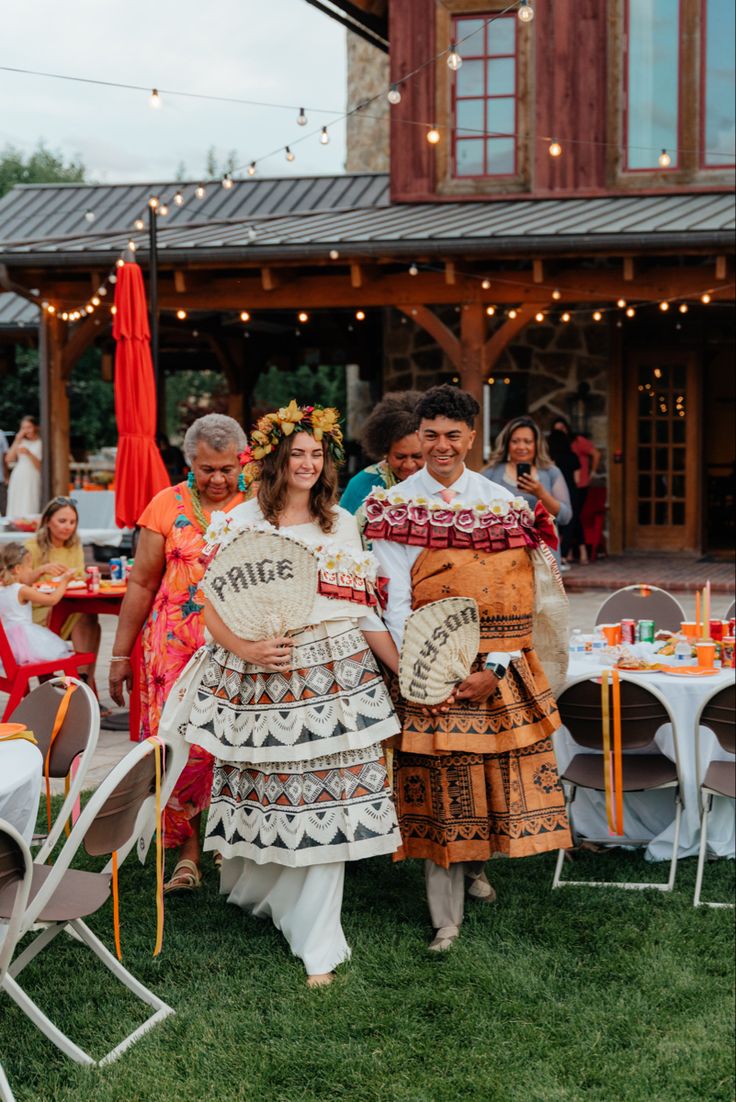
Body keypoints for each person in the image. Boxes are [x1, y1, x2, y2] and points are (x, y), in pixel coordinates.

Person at [169, 401, 401, 986]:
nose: (306, 462)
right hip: (262, 672)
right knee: (273, 794)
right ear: (274, 459)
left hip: (334, 675)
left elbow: (362, 609)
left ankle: (319, 938)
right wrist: (245, 650)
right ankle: (262, 890)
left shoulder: (339, 524)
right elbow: (209, 608)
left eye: (316, 454)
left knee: (327, 799)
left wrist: (405, 670)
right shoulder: (241, 521)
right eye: (296, 453)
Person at [369, 384, 571, 953]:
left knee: (490, 780)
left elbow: (517, 595)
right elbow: (396, 599)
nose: (440, 447)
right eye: (430, 435)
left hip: (496, 664)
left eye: (451, 437)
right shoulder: (395, 505)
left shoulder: (501, 503)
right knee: (439, 787)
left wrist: (498, 668)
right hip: (426, 668)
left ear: (472, 438)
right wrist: (425, 671)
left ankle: (477, 866)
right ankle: (445, 919)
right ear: (418, 434)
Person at [108, 413, 249, 891]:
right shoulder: (165, 505)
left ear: (241, 461)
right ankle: (186, 853)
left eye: (226, 468)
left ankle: (237, 847)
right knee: (179, 749)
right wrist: (119, 654)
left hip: (238, 646)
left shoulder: (258, 506)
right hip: (171, 649)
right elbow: (143, 583)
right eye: (207, 468)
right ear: (191, 461)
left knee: (231, 748)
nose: (217, 479)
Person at [25, 497, 101, 682]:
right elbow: (22, 581)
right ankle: (81, 681)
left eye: (72, 522)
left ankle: (81, 678)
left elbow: (80, 575)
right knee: (84, 617)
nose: (68, 527)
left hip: (67, 605)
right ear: (48, 521)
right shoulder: (32, 546)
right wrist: (42, 569)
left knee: (89, 616)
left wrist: (72, 577)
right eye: (62, 521)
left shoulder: (74, 545)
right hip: (40, 610)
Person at [483, 416, 572, 568]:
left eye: (527, 441)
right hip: (501, 554)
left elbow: (565, 516)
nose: (521, 447)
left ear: (536, 445)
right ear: (507, 444)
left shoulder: (550, 472)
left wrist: (540, 493)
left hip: (543, 554)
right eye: (515, 441)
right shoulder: (491, 473)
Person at [339, 391, 423, 515]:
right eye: (400, 457)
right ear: (385, 452)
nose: (409, 465)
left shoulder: (444, 483)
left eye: (417, 456)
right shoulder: (361, 485)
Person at [0, 542, 76, 666]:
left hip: (7, 645)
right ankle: (66, 683)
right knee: (62, 655)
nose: (31, 571)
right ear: (18, 569)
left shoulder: (3, 589)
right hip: (24, 643)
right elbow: (52, 600)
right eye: (30, 567)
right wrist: (64, 581)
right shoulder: (21, 590)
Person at [551, 417, 601, 564]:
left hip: (578, 488)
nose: (561, 432)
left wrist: (592, 473)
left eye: (563, 428)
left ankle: (568, 553)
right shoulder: (559, 455)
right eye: (557, 429)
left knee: (571, 518)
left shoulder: (577, 442)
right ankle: (578, 552)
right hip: (569, 488)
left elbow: (596, 454)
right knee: (574, 518)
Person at [547, 429, 581, 564]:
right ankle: (565, 555)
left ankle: (558, 555)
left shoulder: (550, 459)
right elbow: (577, 479)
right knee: (570, 524)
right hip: (571, 492)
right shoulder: (572, 456)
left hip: (553, 494)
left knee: (555, 525)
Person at [5, 416, 42, 518]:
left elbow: (40, 466)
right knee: (16, 501)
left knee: (29, 500)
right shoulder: (20, 442)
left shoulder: (41, 443)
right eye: (23, 428)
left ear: (35, 427)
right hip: (18, 475)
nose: (26, 430)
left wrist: (29, 453)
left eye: (29, 427)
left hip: (32, 476)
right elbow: (9, 458)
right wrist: (17, 440)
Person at [0, 427, 9, 516]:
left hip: (1, 477)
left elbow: (5, 457)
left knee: (3, 504)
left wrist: (6, 476)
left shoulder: (0, 434)